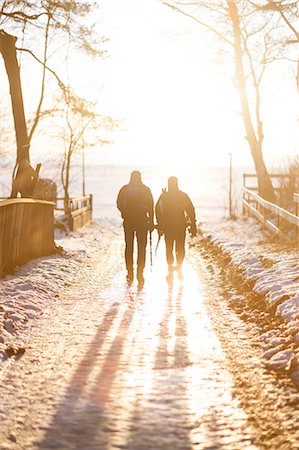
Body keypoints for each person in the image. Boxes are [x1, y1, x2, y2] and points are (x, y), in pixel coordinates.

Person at [117, 170, 154, 284]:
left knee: (129, 247)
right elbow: (151, 206)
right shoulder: (145, 190)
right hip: (142, 222)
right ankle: (139, 273)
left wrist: (124, 213)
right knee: (141, 248)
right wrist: (151, 221)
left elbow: (118, 203)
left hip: (129, 222)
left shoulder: (124, 189)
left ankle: (130, 272)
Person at [155, 176, 196, 276]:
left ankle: (170, 266)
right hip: (180, 226)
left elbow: (157, 210)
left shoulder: (164, 196)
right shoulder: (182, 196)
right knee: (180, 247)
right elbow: (191, 210)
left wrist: (159, 224)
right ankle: (179, 265)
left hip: (168, 227)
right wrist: (193, 225)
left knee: (169, 247)